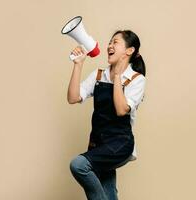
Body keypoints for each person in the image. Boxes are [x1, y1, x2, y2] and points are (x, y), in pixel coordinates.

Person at [67, 30, 146, 200]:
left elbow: (121, 109)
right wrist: (78, 65)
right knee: (110, 194)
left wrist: (117, 74)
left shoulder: (136, 79)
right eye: (109, 42)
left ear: (129, 51)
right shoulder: (98, 74)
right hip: (97, 144)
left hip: (119, 144)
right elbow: (73, 98)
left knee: (78, 165)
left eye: (115, 42)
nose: (109, 46)